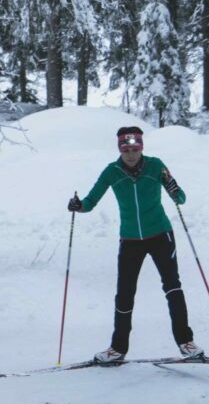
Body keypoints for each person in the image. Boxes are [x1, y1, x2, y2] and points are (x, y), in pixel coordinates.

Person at [66, 126, 200, 365]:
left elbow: (180, 198)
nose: (130, 154)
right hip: (130, 239)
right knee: (125, 294)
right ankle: (118, 348)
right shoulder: (112, 171)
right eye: (125, 149)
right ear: (120, 149)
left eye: (135, 149)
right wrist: (79, 205)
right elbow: (91, 201)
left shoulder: (156, 165)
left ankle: (185, 342)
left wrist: (173, 189)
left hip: (161, 234)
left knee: (172, 287)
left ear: (141, 148)